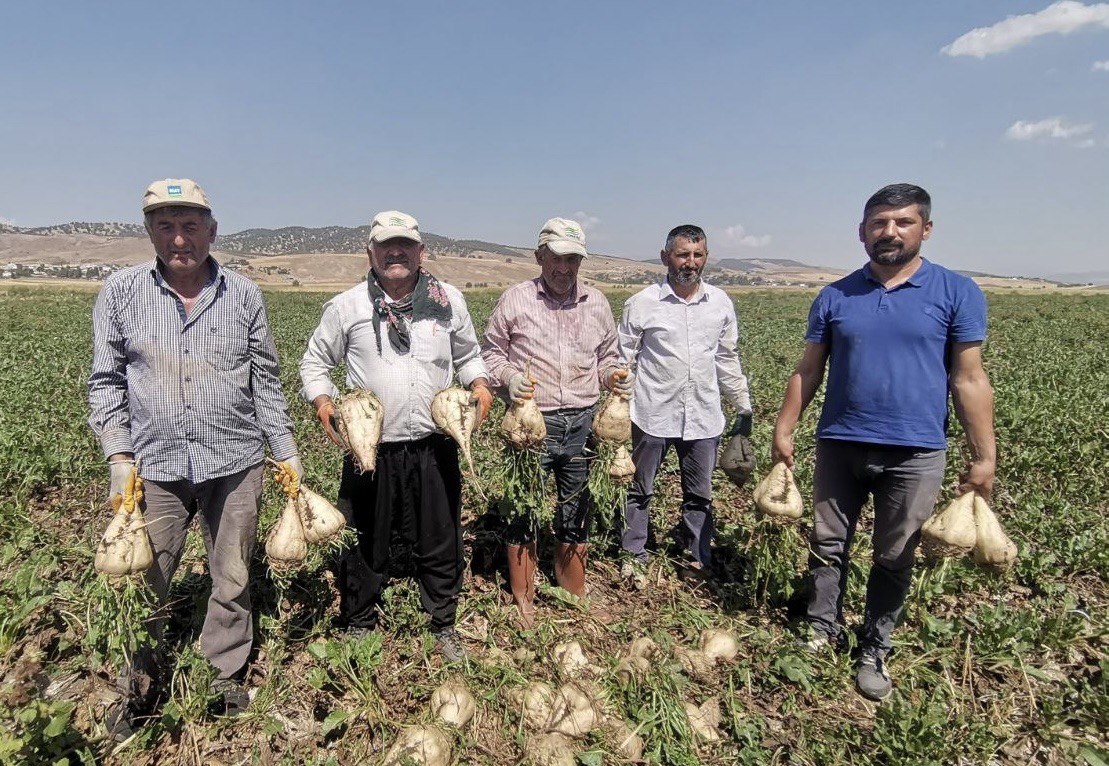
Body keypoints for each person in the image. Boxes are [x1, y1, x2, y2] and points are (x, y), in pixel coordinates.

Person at [88, 178, 303, 738]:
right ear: (149, 232)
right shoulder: (121, 291)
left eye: (189, 226)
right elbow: (106, 381)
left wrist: (285, 452)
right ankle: (137, 685)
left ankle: (223, 672)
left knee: (231, 571)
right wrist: (119, 452)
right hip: (152, 466)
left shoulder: (244, 294)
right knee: (144, 577)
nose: (179, 238)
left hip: (234, 458)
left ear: (212, 230)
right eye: (165, 226)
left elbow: (266, 382)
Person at [772, 183, 995, 701]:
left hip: (916, 451)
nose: (889, 232)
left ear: (926, 229)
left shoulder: (956, 292)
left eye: (902, 222)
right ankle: (820, 629)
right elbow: (809, 369)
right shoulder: (835, 295)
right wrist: (785, 426)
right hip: (840, 442)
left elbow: (969, 379)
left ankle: (875, 645)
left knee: (895, 553)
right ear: (862, 231)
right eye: (879, 223)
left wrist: (983, 455)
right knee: (827, 543)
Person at [299, 210, 492, 661]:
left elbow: (468, 357)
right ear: (371, 252)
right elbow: (314, 364)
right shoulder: (347, 307)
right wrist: (325, 405)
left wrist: (480, 388)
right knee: (366, 533)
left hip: (434, 443)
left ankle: (442, 622)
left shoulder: (450, 303)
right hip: (371, 445)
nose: (396, 252)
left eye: (405, 244)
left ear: (421, 252)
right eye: (386, 245)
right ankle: (360, 620)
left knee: (440, 534)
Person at [481, 217, 626, 627]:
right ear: (540, 256)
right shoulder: (516, 299)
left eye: (573, 260)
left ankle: (571, 588)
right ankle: (523, 595)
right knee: (523, 504)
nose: (565, 268)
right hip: (530, 424)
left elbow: (607, 357)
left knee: (576, 507)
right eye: (557, 258)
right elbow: (490, 353)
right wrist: (510, 379)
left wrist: (613, 375)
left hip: (583, 421)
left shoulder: (596, 302)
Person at [617, 225, 753, 586]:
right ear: (666, 258)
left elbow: (727, 357)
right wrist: (617, 397)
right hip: (652, 413)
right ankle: (633, 554)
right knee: (639, 488)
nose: (690, 263)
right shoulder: (642, 303)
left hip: (704, 416)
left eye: (697, 255)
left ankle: (696, 557)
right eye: (682, 255)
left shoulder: (721, 303)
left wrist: (743, 405)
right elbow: (623, 359)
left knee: (699, 493)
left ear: (705, 258)